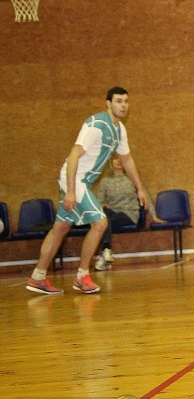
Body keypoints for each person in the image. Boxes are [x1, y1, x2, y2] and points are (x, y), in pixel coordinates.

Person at [26, 87, 153, 295]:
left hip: (80, 182)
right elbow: (73, 156)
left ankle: (38, 277)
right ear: (108, 104)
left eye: (126, 101)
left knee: (61, 228)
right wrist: (70, 191)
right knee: (100, 223)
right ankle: (82, 276)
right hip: (75, 179)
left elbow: (127, 159)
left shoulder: (119, 130)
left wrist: (140, 188)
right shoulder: (97, 125)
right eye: (118, 101)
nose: (123, 105)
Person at [92, 155, 166, 270]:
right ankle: (106, 253)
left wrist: (153, 215)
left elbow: (145, 197)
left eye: (121, 158)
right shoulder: (105, 182)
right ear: (111, 163)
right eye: (116, 158)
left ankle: (106, 252)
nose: (119, 161)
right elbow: (98, 202)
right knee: (104, 216)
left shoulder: (133, 179)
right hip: (112, 213)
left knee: (106, 221)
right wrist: (103, 204)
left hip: (130, 213)